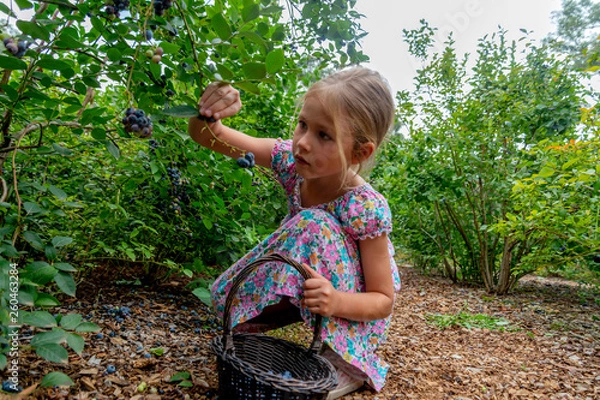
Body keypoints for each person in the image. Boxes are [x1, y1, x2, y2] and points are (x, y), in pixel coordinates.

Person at [188, 67, 402, 399]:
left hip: (352, 304)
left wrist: (336, 301)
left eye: (324, 135)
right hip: (316, 286)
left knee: (313, 224)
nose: (302, 142)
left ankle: (348, 361)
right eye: (303, 125)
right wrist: (210, 112)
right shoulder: (291, 162)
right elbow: (209, 136)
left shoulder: (365, 207)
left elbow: (383, 300)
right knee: (225, 298)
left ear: (361, 152)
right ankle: (260, 320)